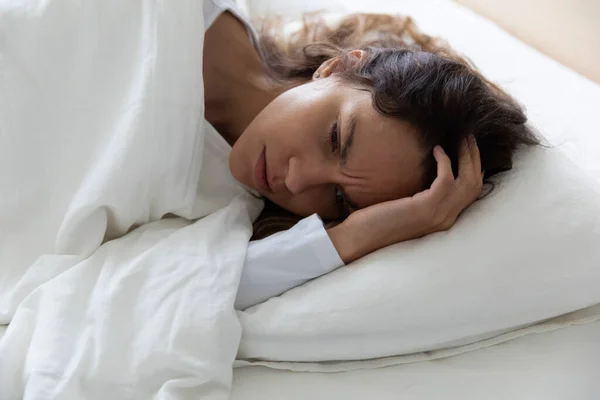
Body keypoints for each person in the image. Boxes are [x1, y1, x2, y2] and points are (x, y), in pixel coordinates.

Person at [202, 1, 540, 309]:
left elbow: (193, 291)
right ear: (336, 67)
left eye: (338, 199)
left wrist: (357, 234)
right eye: (334, 139)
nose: (295, 181)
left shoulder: (222, 212)